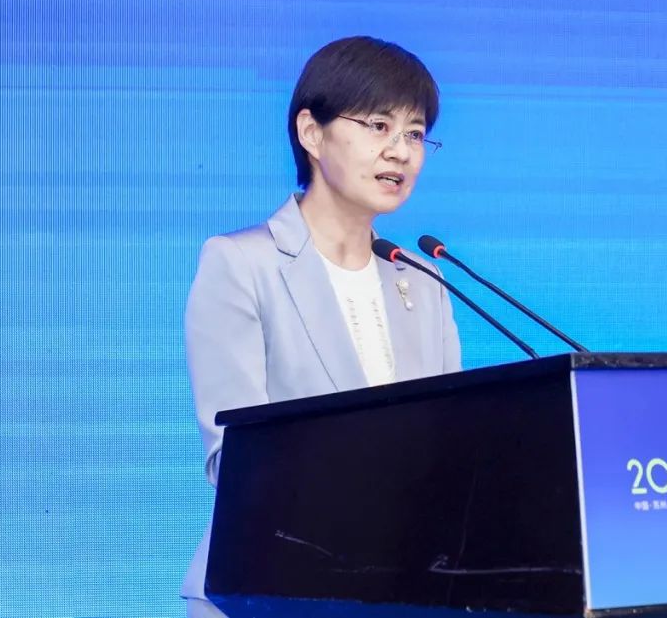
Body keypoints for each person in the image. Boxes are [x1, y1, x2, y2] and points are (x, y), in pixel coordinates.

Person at [180, 36, 462, 617]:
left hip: (403, 593)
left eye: (414, 134)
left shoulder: (422, 279)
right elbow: (234, 457)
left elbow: (451, 448)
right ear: (311, 132)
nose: (401, 152)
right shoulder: (242, 264)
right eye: (379, 126)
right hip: (267, 592)